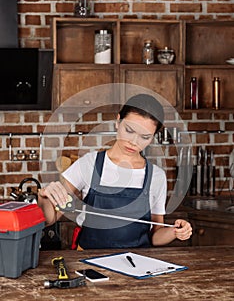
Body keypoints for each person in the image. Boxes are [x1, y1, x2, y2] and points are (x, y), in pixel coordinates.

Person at [38, 94, 192, 249]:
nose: (133, 142)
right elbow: (49, 219)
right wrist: (44, 197)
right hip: (89, 260)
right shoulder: (89, 164)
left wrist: (173, 232)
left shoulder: (157, 176)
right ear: (118, 122)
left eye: (144, 137)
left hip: (136, 262)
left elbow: (155, 236)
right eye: (129, 130)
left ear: (152, 137)